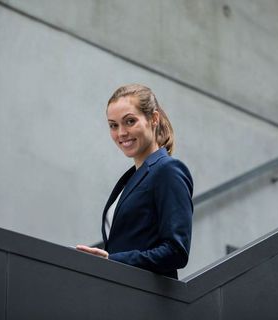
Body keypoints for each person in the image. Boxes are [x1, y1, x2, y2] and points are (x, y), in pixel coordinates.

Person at [76, 84, 193, 279]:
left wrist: (113, 261)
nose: (121, 133)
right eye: (113, 125)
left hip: (147, 301)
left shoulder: (168, 171)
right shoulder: (131, 178)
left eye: (130, 121)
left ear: (153, 119)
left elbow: (176, 251)